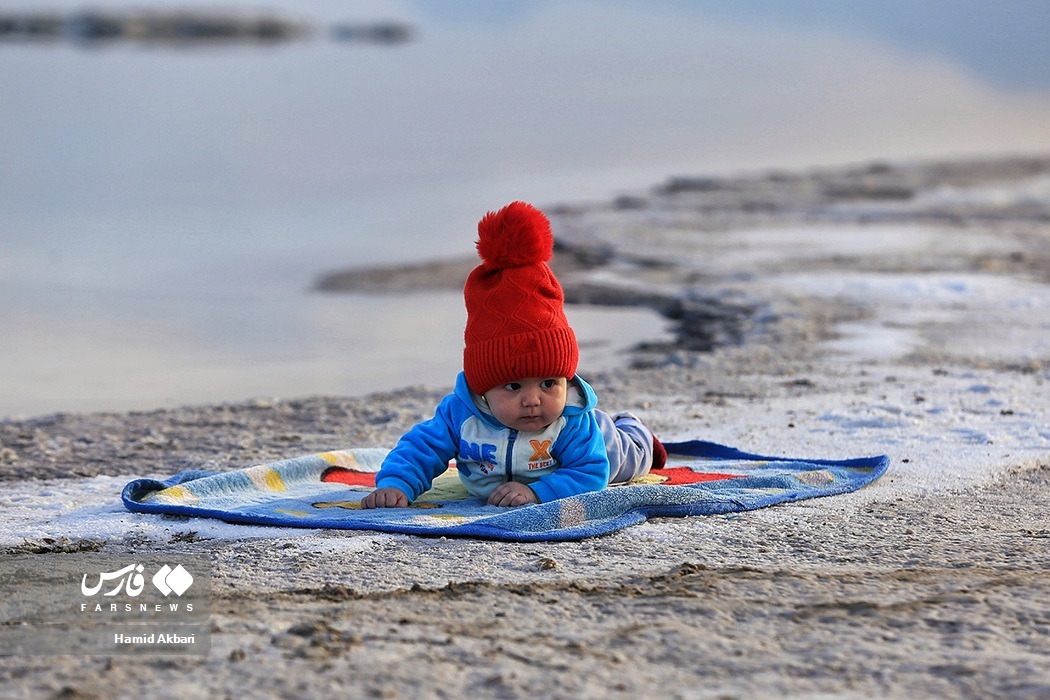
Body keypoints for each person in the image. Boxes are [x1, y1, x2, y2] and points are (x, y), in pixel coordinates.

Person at [361, 201, 666, 509]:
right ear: (483, 388)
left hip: (606, 448)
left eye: (548, 383)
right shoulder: (461, 414)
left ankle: (634, 429)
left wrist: (537, 493)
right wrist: (396, 484)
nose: (533, 400)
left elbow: (590, 472)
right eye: (514, 386)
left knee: (630, 457)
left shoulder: (572, 420)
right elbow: (419, 448)